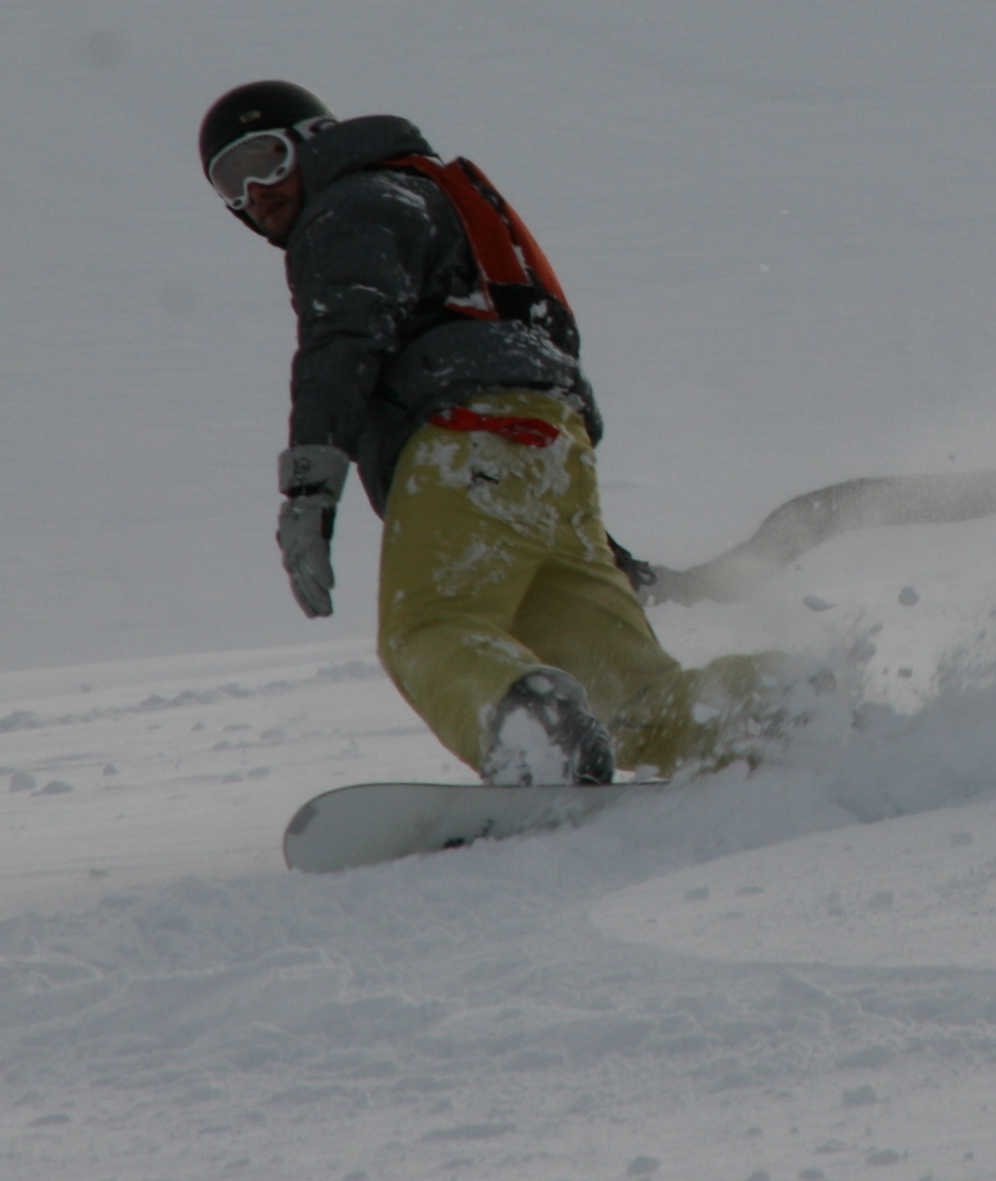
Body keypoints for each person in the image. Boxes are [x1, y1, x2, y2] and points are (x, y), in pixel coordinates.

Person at [197, 80, 778, 786]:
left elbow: (343, 340)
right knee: (634, 703)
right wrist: (596, 550)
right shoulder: (417, 196)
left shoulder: (350, 206)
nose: (253, 191)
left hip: (465, 442)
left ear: (314, 142)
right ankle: (767, 712)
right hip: (548, 453)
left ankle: (537, 737)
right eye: (229, 181)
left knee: (429, 630)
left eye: (263, 158)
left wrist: (310, 491)